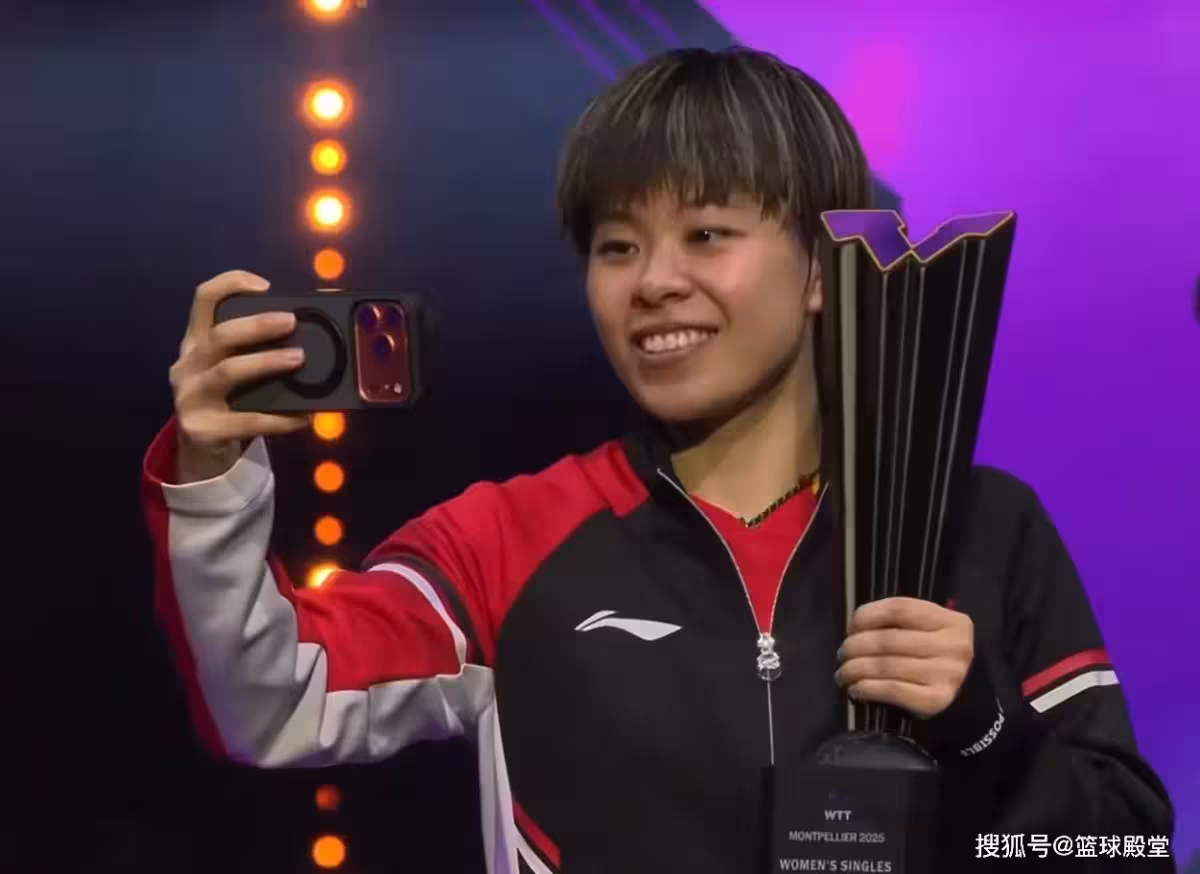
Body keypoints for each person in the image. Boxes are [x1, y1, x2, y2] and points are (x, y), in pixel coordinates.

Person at [141, 47, 1173, 873]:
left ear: (821, 268)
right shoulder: (507, 540)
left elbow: (1127, 851)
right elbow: (270, 698)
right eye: (617, 246)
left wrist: (986, 733)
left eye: (708, 233)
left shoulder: (975, 528)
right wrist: (210, 474)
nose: (654, 283)